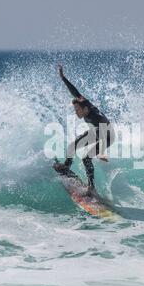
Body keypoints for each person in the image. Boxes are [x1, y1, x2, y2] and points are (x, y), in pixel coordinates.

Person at [54, 64, 114, 196]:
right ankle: (66, 166)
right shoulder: (84, 103)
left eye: (78, 110)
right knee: (72, 146)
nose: (76, 113)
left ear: (85, 109)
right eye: (75, 110)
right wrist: (63, 78)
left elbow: (104, 130)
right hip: (96, 132)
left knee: (86, 158)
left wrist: (102, 152)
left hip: (107, 136)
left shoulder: (96, 117)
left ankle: (92, 187)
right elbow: (75, 92)